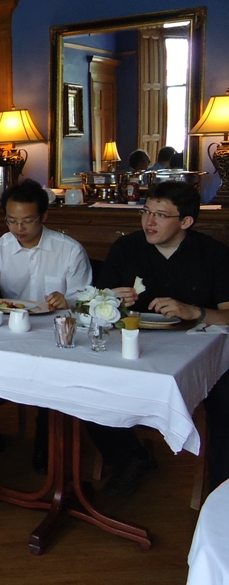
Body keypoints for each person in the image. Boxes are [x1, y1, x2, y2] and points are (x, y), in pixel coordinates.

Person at [90, 181, 229, 496]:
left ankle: (221, 491)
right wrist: (110, 299)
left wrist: (195, 311)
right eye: (146, 212)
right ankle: (130, 457)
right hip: (138, 347)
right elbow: (94, 304)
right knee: (91, 382)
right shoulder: (126, 248)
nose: (148, 222)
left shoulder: (213, 254)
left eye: (161, 215)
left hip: (199, 350)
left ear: (186, 221)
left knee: (226, 401)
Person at [0, 180, 93, 464]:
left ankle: (47, 447)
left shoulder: (69, 250)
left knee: (54, 375)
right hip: (12, 329)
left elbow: (86, 299)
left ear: (44, 216)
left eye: (27, 221)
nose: (18, 228)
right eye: (11, 220)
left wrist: (68, 299)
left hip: (54, 332)